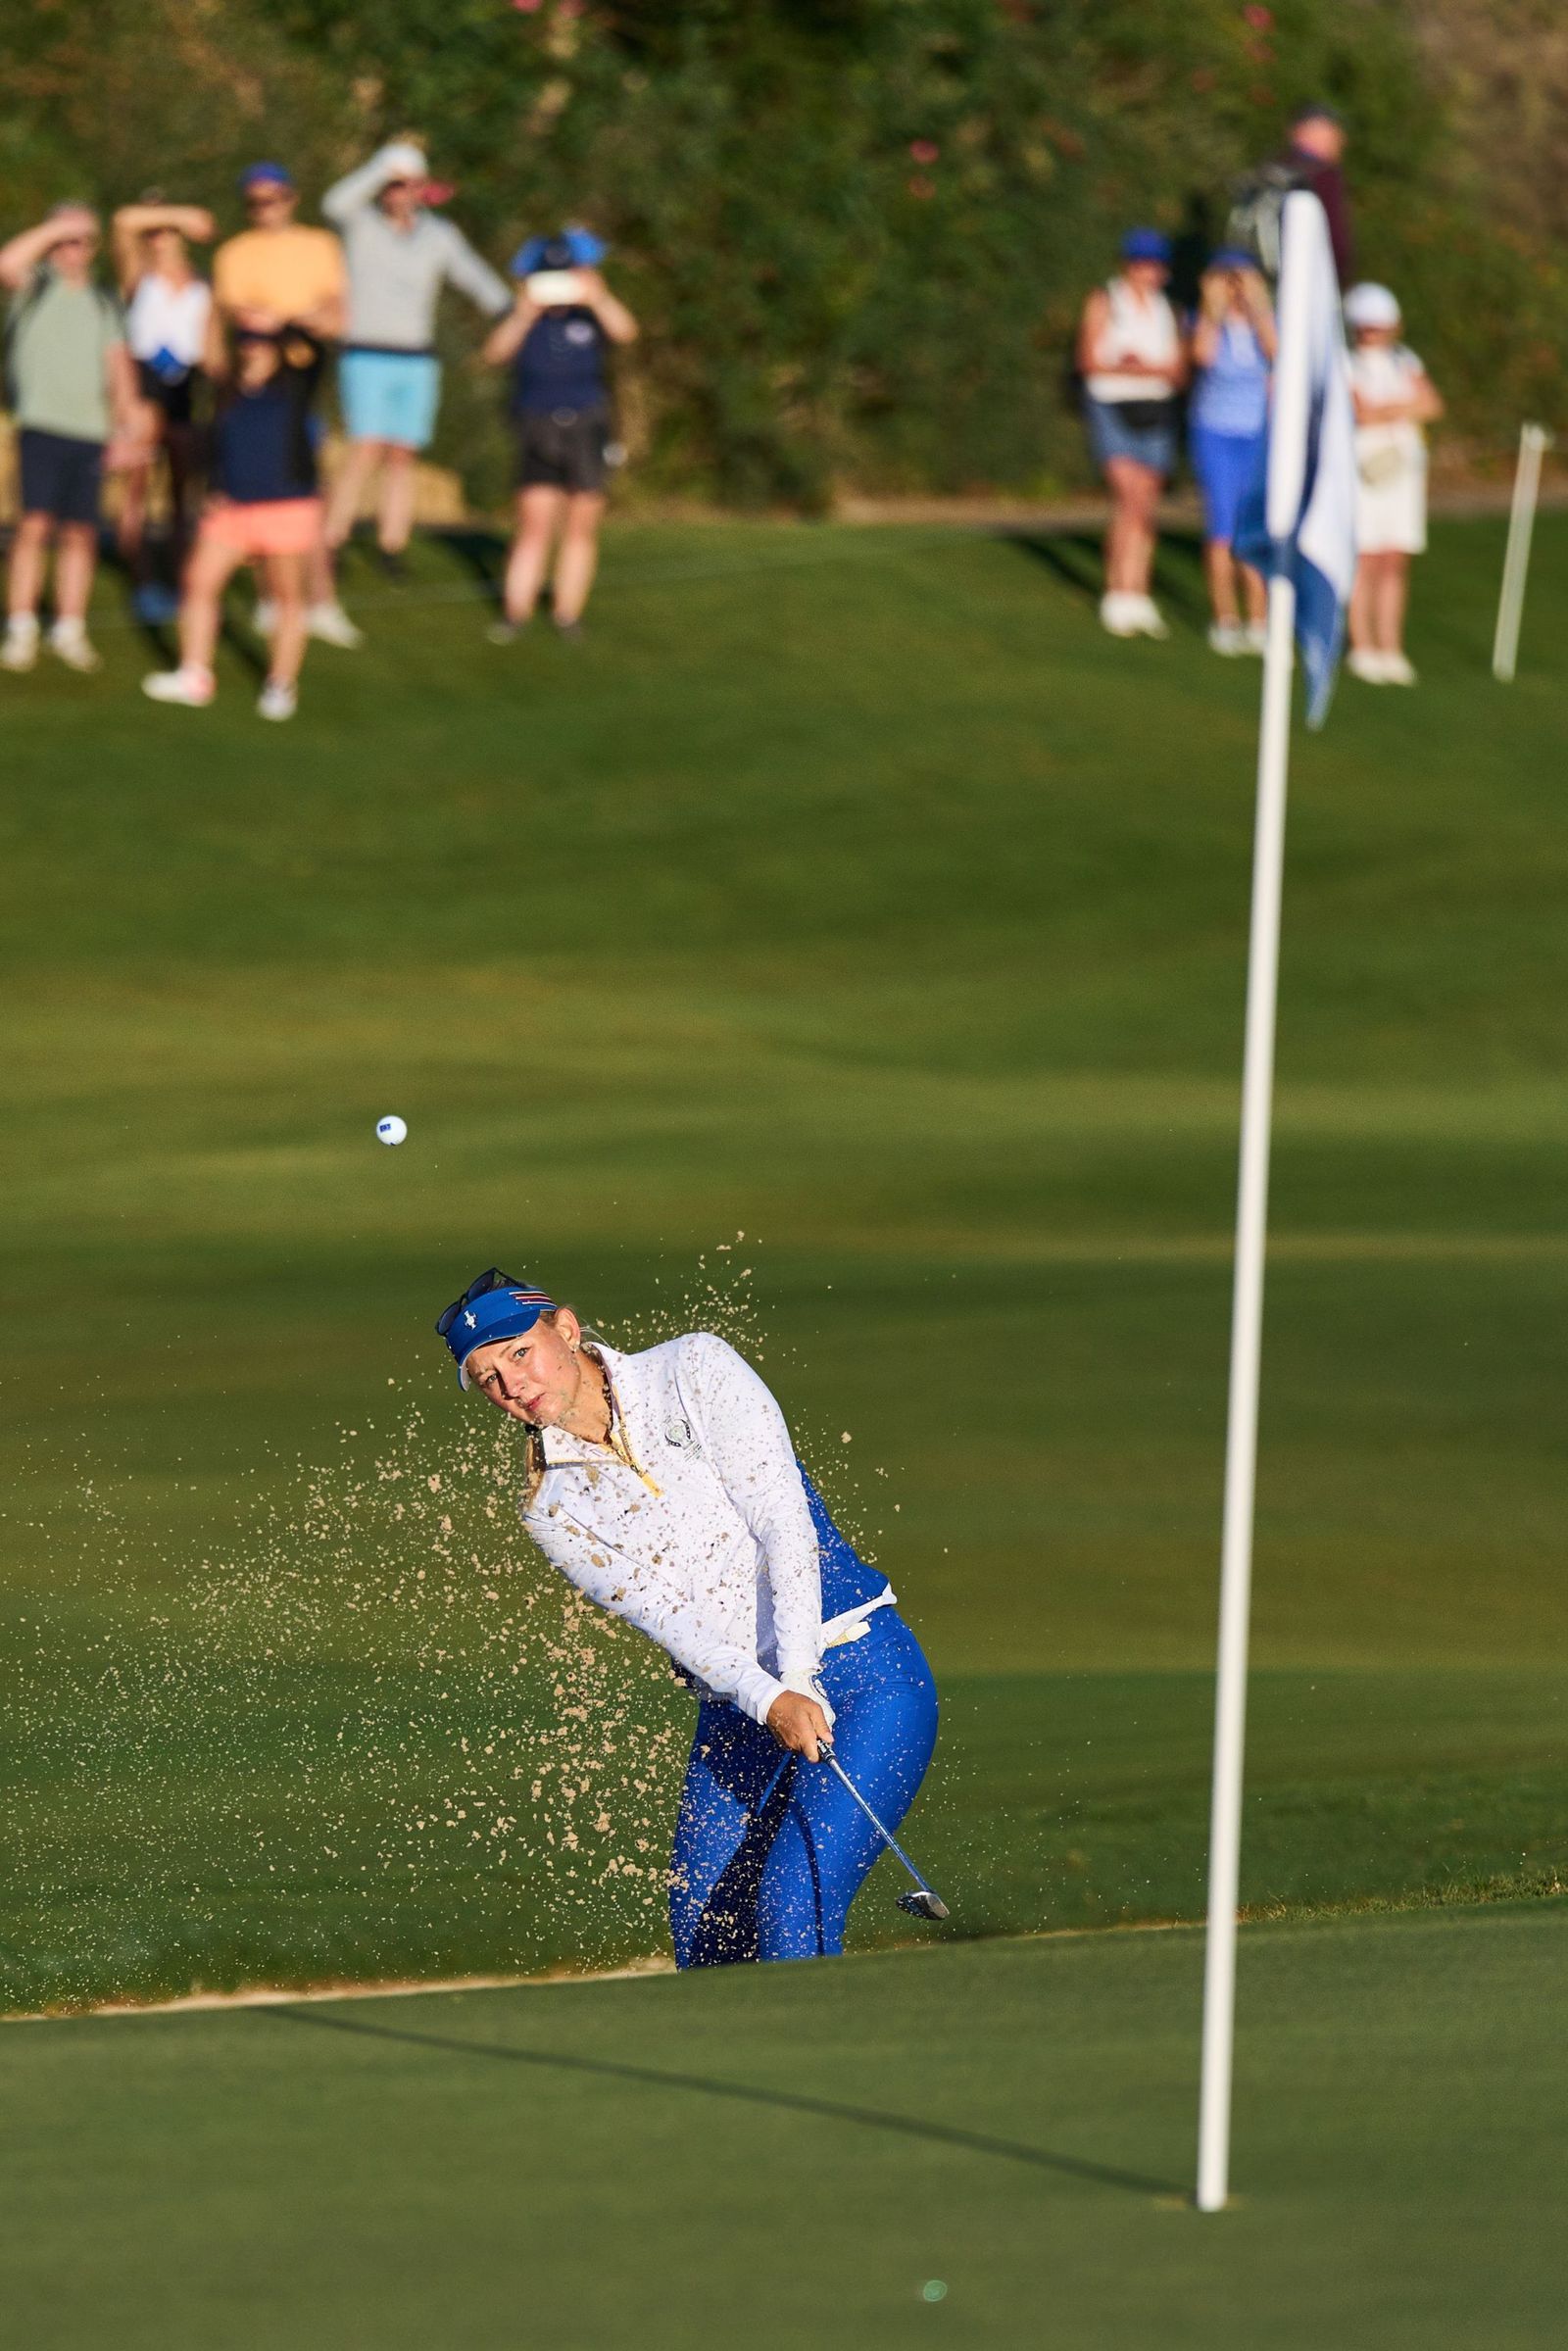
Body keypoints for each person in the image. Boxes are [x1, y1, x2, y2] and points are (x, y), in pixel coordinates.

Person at [436, 1269, 940, 1969]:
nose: (510, 1386)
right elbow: (672, 1621)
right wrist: (772, 1698)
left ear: (567, 1329)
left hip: (859, 1671)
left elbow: (782, 1520)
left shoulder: (692, 1367)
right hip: (741, 1708)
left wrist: (797, 1676)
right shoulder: (551, 1508)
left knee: (792, 1904)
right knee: (707, 1939)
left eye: (518, 1353)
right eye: (488, 1377)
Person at [321, 141, 510, 577]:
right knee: (364, 450)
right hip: (366, 353)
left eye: (407, 185)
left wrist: (508, 309)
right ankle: (333, 538)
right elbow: (334, 203)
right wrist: (380, 167)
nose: (398, 193)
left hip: (416, 359)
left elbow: (473, 274)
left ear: (421, 189)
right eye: (392, 185)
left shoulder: (438, 234)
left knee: (403, 454)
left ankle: (392, 543)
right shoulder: (362, 225)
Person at [141, 323, 326, 720]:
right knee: (197, 581)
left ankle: (280, 683)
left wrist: (280, 320)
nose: (254, 349)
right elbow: (219, 446)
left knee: (287, 594)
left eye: (263, 342)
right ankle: (194, 674)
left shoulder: (294, 387)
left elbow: (316, 349)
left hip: (287, 508)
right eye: (247, 341)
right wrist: (212, 487)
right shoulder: (227, 393)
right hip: (232, 509)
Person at [211, 162, 360, 649]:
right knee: (263, 482)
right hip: (259, 379)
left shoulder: (320, 246)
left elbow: (335, 314)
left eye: (273, 198)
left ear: (291, 198)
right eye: (255, 201)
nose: (265, 209)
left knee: (308, 484)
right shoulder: (235, 253)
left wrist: (291, 319)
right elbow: (244, 316)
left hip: (305, 374)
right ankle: (274, 598)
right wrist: (292, 320)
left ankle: (320, 599)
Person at [482, 230, 638, 641]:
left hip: (587, 424)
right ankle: (516, 613)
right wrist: (522, 313)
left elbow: (626, 333)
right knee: (534, 523)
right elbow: (494, 354)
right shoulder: (524, 317)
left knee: (580, 524)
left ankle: (567, 614)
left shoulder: (589, 315)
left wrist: (598, 298)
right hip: (536, 423)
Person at [0, 204, 136, 675]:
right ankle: (20, 627)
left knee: (80, 533)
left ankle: (69, 627)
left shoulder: (103, 301)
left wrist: (124, 427)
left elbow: (119, 367)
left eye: (79, 240)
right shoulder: (34, 286)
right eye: (61, 240)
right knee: (34, 526)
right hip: (40, 424)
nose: (69, 249)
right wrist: (55, 227)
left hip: (91, 431)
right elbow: (6, 264)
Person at [1076, 228, 1186, 639]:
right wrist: (1140, 368)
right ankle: (1117, 592)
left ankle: (1138, 593)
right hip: (1111, 408)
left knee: (1146, 503)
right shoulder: (1105, 301)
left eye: (1155, 264)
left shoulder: (1167, 310)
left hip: (1155, 410)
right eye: (1142, 263)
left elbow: (1177, 371)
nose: (1149, 272)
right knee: (1129, 495)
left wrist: (1137, 366)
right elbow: (1089, 361)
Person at [111, 200, 215, 623]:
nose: (159, 237)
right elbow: (122, 221)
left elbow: (208, 345)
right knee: (137, 486)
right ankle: (141, 580)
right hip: (145, 386)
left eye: (166, 231)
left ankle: (176, 577)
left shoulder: (202, 282)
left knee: (180, 493)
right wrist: (179, 215)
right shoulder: (140, 277)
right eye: (154, 230)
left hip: (186, 387)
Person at [1344, 282, 1443, 687]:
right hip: (1362, 471)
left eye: (1380, 326)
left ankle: (1390, 646)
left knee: (1394, 559)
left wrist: (1387, 409)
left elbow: (1432, 404)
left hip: (1402, 471)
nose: (1373, 333)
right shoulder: (1344, 362)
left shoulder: (1405, 359)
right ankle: (1361, 645)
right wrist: (1402, 410)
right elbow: (1359, 413)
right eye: (1367, 327)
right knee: (1365, 559)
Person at [1187, 249, 1275, 656]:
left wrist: (1258, 307)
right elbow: (1202, 355)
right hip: (1216, 433)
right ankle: (1225, 619)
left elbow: (1279, 353)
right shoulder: (1204, 322)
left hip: (1257, 434)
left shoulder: (1266, 324)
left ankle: (1259, 620)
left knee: (1254, 525)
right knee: (1222, 528)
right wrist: (1214, 307)